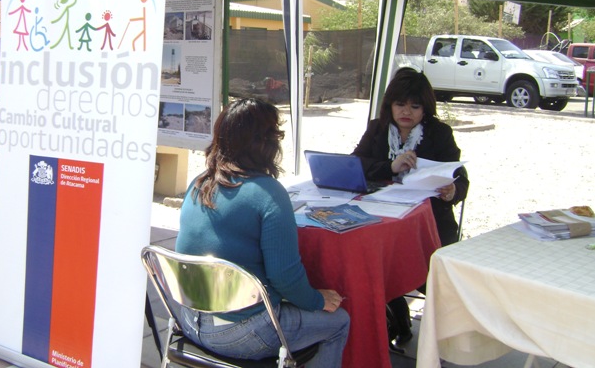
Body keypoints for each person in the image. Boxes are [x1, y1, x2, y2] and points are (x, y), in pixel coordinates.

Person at [175, 98, 350, 367]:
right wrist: (317, 300)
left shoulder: (199, 184)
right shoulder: (268, 194)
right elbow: (285, 278)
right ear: (267, 143)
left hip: (187, 319)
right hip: (239, 332)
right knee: (338, 322)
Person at [352, 69, 469, 346]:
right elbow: (355, 164)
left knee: (412, 264)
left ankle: (431, 327)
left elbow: (460, 177)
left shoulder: (439, 133)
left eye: (415, 106)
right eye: (400, 104)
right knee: (369, 257)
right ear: (389, 105)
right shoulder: (377, 128)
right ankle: (394, 315)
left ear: (425, 108)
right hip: (379, 216)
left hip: (428, 222)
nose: (407, 112)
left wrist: (453, 190)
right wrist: (390, 167)